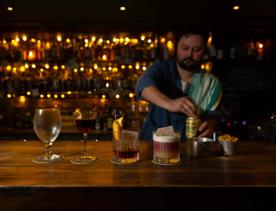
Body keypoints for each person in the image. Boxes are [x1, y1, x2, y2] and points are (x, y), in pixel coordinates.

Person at [135, 29, 222, 141]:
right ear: (177, 47)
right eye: (185, 48)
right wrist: (170, 103)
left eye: (196, 50)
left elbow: (214, 115)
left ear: (205, 51)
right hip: (153, 143)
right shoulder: (161, 69)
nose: (189, 54)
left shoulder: (211, 82)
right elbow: (143, 85)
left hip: (189, 146)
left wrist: (210, 125)